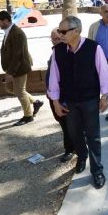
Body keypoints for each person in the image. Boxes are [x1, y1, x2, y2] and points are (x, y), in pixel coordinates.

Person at [47, 16, 108, 189]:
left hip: (90, 99)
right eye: (59, 31)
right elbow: (54, 78)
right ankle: (82, 157)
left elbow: (103, 73)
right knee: (75, 133)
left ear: (76, 31)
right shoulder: (58, 51)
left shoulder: (93, 48)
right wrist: (55, 102)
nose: (60, 35)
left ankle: (97, 170)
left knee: (93, 136)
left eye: (63, 31)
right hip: (69, 101)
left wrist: (104, 97)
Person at [0, 10, 43, 126]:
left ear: (5, 20)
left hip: (20, 67)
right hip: (12, 67)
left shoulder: (17, 33)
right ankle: (36, 102)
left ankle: (28, 116)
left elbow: (18, 55)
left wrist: (10, 72)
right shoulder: (9, 31)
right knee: (11, 89)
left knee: (19, 91)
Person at [46, 28, 75, 162]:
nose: (55, 41)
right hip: (53, 96)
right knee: (63, 123)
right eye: (53, 39)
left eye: (57, 38)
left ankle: (70, 149)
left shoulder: (67, 52)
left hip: (65, 96)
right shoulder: (55, 52)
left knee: (68, 123)